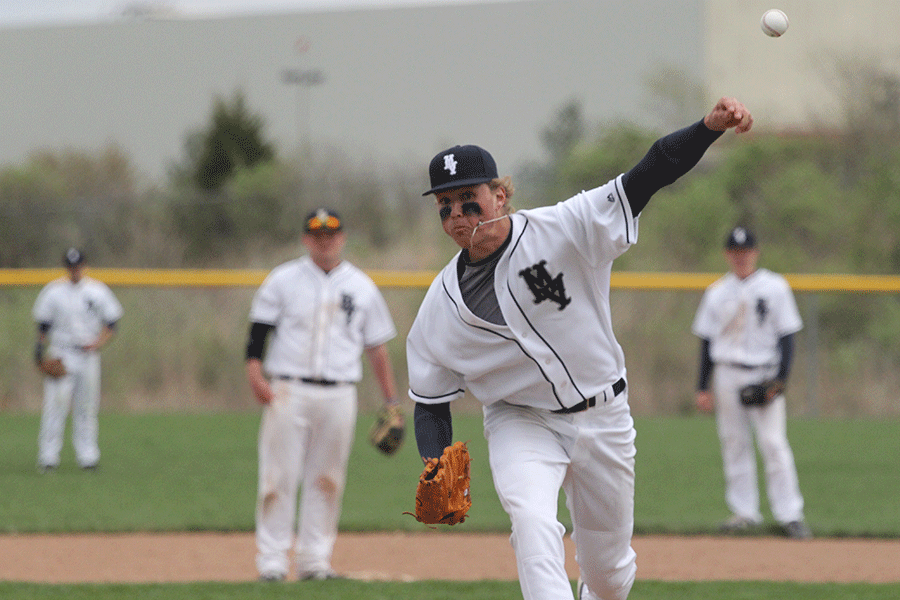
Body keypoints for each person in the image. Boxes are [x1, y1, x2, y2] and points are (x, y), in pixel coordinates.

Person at [407, 97, 753, 600]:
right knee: (531, 522)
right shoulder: (440, 308)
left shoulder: (565, 227)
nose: (457, 213)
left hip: (605, 414)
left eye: (468, 199)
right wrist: (435, 462)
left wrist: (708, 128)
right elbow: (431, 402)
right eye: (445, 205)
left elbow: (649, 172)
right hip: (523, 422)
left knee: (609, 574)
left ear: (500, 195)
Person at [245, 207, 402, 582]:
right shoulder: (283, 279)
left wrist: (391, 400)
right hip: (288, 388)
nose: (324, 240)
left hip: (339, 392)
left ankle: (315, 561)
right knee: (278, 475)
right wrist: (254, 370)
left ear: (342, 237)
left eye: (331, 233)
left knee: (328, 477)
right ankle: (272, 561)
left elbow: (377, 347)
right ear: (305, 239)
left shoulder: (361, 286)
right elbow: (259, 331)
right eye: (317, 234)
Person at [692, 225, 812, 540]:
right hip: (728, 372)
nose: (741, 256)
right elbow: (706, 342)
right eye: (735, 251)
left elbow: (788, 336)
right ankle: (744, 512)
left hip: (765, 371)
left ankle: (790, 514)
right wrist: (702, 386)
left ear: (755, 252)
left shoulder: (775, 287)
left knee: (773, 444)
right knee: (734, 443)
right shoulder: (716, 291)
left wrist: (780, 381)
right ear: (727, 255)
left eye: (746, 251)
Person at [32, 248, 123, 473]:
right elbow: (43, 325)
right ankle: (48, 457)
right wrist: (39, 351)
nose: (75, 270)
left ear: (84, 265)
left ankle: (88, 457)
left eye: (78, 266)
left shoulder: (97, 290)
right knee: (56, 405)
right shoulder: (53, 292)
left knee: (87, 407)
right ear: (66, 267)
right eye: (71, 266)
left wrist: (98, 343)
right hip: (61, 353)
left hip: (88, 355)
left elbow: (112, 323)